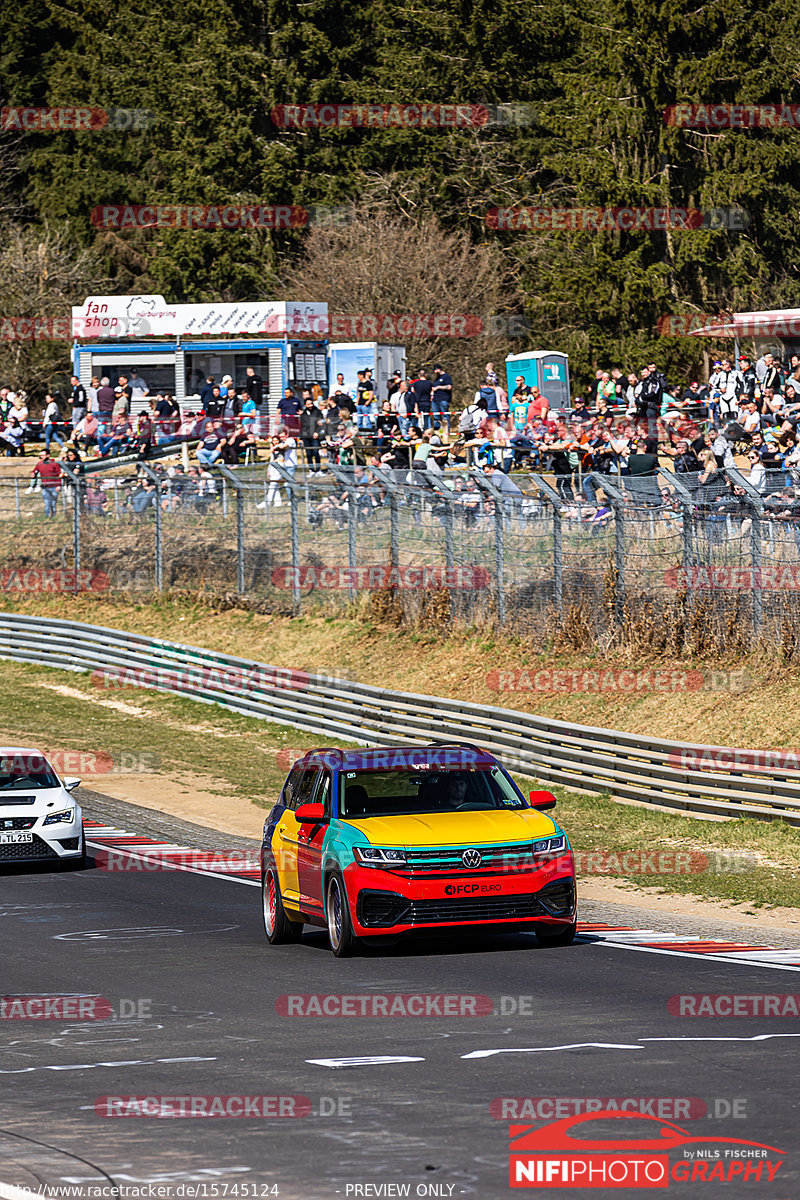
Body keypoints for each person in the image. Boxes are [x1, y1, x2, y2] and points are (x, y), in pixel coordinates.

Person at [31, 450, 62, 517]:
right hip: (45, 487)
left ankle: (53, 516)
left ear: (48, 455)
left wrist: (59, 485)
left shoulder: (54, 464)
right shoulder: (39, 464)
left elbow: (59, 475)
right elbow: (35, 471)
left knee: (53, 503)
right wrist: (33, 474)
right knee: (47, 503)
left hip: (54, 486)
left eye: (43, 455)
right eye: (40, 455)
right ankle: (47, 517)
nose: (41, 457)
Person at [300, 392, 325, 473]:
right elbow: (301, 426)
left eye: (311, 404)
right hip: (306, 436)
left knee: (315, 452)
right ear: (305, 405)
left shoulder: (317, 412)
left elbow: (321, 423)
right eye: (308, 404)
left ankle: (318, 469)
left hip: (315, 436)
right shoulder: (303, 414)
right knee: (308, 453)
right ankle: (311, 470)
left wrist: (317, 432)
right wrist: (300, 438)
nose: (310, 406)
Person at [431, 364, 452, 431]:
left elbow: (449, 387)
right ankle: (437, 431)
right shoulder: (436, 379)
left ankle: (446, 431)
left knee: (445, 416)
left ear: (439, 369)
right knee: (436, 417)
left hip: (443, 399)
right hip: (435, 400)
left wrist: (438, 387)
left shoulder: (446, 376)